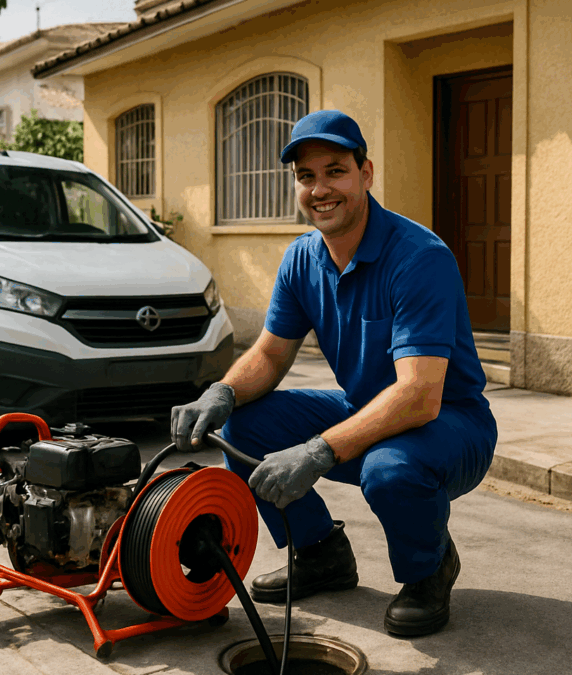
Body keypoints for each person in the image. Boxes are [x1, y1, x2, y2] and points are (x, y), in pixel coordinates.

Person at [171, 109, 498, 637]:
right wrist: (223, 390)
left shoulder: (418, 258)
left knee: (390, 470)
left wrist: (319, 450)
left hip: (449, 426)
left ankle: (429, 570)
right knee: (244, 425)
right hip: (365, 408)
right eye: (306, 177)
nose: (320, 188)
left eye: (335, 171)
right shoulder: (303, 258)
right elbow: (272, 355)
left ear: (365, 174)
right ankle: (320, 553)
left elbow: (418, 396)